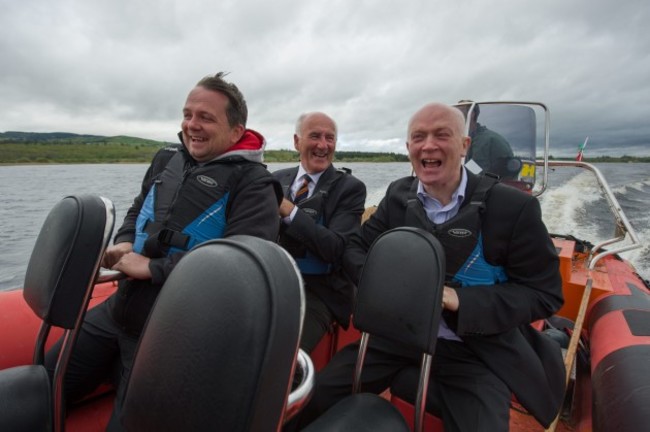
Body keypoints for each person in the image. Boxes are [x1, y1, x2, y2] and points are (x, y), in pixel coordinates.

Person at [298, 103, 565, 431]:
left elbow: (543, 293)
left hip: (474, 348)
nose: (428, 145)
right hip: (396, 336)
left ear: (464, 145)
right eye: (418, 137)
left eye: (442, 135)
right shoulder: (399, 195)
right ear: (409, 148)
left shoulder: (513, 208)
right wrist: (386, 284)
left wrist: (457, 299)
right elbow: (356, 247)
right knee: (314, 398)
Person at [45, 72, 282, 429]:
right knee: (43, 384)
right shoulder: (166, 159)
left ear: (236, 131)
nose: (192, 125)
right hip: (120, 309)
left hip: (175, 333)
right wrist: (125, 241)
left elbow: (242, 270)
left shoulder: (255, 185)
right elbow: (138, 208)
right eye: (188, 114)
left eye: (205, 117)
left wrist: (154, 269)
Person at [273, 112, 366, 353]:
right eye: (314, 136)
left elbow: (335, 248)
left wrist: (289, 210)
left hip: (320, 291)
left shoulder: (350, 188)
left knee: (283, 354)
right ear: (297, 142)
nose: (323, 145)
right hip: (273, 281)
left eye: (330, 138)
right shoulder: (275, 179)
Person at [458, 100, 516, 178]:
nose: (454, 115)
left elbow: (475, 172)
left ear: (471, 114)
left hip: (497, 186)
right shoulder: (474, 136)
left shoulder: (483, 140)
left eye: (458, 112)